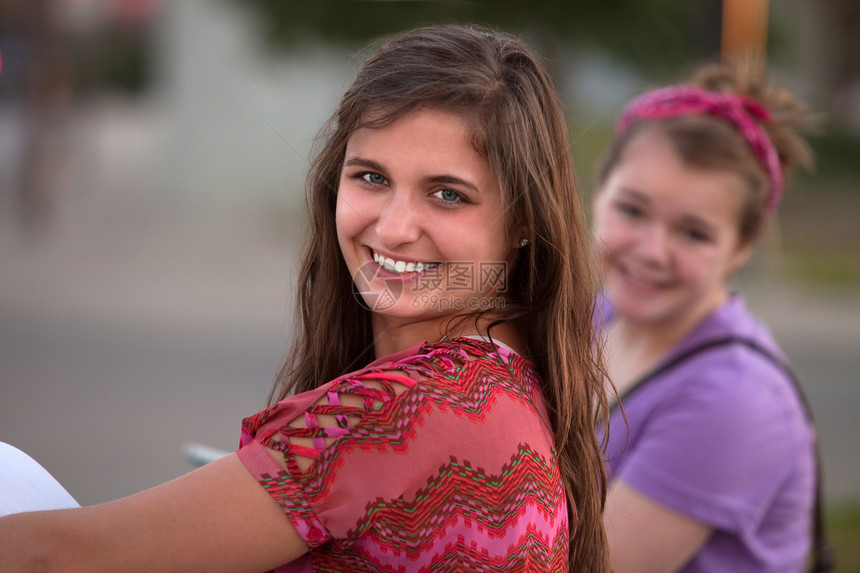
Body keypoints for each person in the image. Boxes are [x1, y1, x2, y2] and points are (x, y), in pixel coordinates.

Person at [0, 24, 612, 572]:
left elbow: (52, 558)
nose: (395, 227)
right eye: (371, 177)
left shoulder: (407, 412)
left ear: (524, 220)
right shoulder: (515, 381)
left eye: (447, 194)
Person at [592, 61, 822, 573]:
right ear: (599, 194)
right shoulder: (593, 317)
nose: (652, 251)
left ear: (742, 248)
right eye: (631, 210)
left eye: (693, 233)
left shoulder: (735, 400)